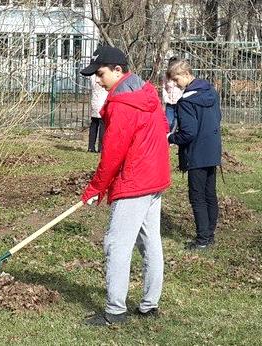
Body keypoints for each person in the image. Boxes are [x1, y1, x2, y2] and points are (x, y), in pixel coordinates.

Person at [78, 46, 171, 326]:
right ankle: (149, 304)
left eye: (101, 73)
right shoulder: (145, 92)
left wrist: (95, 188)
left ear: (118, 70)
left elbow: (112, 153)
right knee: (150, 241)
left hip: (135, 181)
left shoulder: (121, 104)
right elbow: (163, 127)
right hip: (155, 178)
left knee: (116, 244)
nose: (97, 79)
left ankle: (115, 311)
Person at [166, 59, 222, 251]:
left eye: (176, 79)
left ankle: (202, 239)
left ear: (187, 74)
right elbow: (218, 118)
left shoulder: (186, 101)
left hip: (197, 153)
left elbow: (188, 133)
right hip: (212, 150)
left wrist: (169, 138)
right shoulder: (211, 92)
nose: (174, 83)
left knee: (197, 196)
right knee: (209, 194)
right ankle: (210, 234)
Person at [162, 57, 183, 132]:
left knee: (177, 121)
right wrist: (165, 98)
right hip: (170, 103)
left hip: (179, 102)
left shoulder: (181, 76)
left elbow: (184, 88)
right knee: (169, 122)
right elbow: (163, 87)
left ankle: (173, 136)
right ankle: (169, 135)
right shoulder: (166, 76)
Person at [88, 74, 108, 153]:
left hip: (95, 102)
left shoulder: (92, 76)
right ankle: (101, 148)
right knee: (102, 126)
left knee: (93, 125)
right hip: (103, 102)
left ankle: (91, 146)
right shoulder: (104, 75)